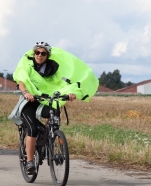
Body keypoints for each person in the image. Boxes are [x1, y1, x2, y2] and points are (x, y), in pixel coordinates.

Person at [9, 41, 99, 174]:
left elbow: (63, 83)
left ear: (47, 55)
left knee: (54, 117)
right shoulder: (28, 66)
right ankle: (29, 162)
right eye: (37, 52)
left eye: (43, 53)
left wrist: (70, 93)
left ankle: (50, 138)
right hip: (29, 102)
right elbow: (21, 80)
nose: (40, 55)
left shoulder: (53, 69)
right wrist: (26, 93)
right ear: (34, 54)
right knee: (32, 129)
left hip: (45, 101)